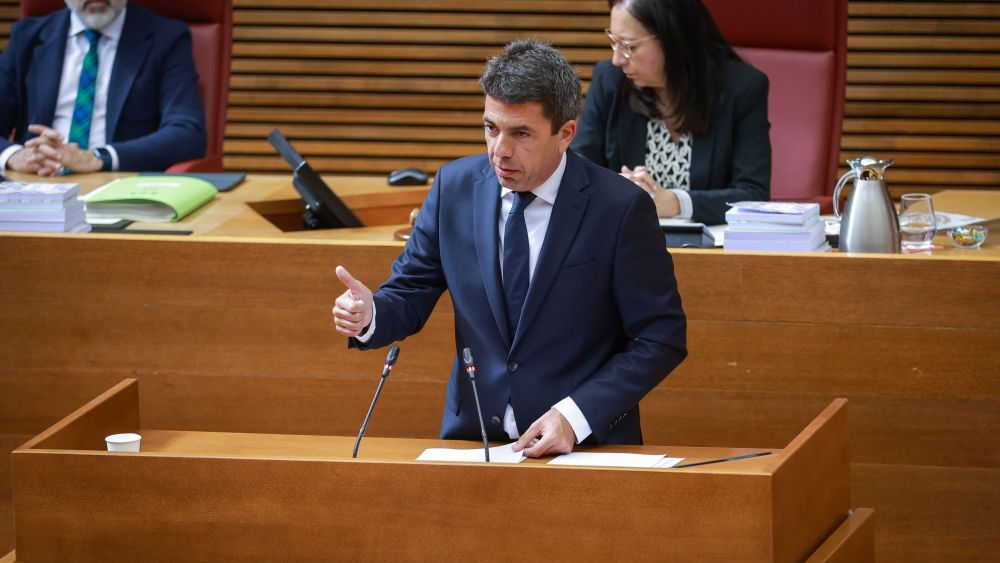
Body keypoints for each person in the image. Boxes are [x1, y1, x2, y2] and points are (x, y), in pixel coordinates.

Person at [332, 39, 686, 459]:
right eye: (490, 128)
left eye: (520, 133)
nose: (500, 150)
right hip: (477, 441)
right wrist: (372, 313)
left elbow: (661, 337)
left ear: (565, 133)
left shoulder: (620, 209)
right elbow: (411, 290)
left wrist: (574, 416)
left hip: (587, 449)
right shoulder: (454, 189)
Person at [572, 0, 771, 225]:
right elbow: (577, 174)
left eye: (629, 46)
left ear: (674, 39)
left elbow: (753, 195)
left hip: (709, 252)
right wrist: (614, 189)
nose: (617, 59)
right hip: (623, 245)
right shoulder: (610, 80)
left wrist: (676, 203)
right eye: (613, 42)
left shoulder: (742, 88)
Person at [0, 0, 207, 175]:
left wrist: (97, 157)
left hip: (117, 189)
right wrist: (16, 155)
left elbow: (187, 133)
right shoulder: (27, 37)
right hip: (36, 187)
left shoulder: (166, 39)